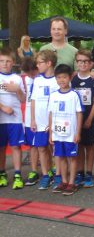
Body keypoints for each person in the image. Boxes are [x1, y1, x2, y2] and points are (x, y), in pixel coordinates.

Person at [49, 64, 83, 195]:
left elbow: (79, 113)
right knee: (61, 157)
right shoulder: (53, 96)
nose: (61, 80)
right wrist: (51, 133)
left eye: (64, 77)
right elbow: (51, 113)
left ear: (70, 77)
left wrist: (78, 133)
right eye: (58, 77)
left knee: (72, 157)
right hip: (58, 133)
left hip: (71, 133)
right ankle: (63, 181)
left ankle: (72, 182)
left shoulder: (74, 95)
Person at [71, 49, 94, 188]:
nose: (83, 64)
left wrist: (90, 118)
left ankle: (89, 173)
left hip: (89, 118)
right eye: (80, 61)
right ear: (76, 63)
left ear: (91, 63)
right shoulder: (72, 79)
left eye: (86, 61)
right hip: (75, 120)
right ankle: (80, 173)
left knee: (89, 146)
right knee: (78, 146)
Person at [31, 50, 59, 190]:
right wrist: (33, 120)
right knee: (41, 148)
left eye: (39, 62)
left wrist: (53, 122)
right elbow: (33, 100)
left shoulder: (58, 80)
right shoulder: (37, 80)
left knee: (54, 148)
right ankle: (45, 175)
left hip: (54, 122)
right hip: (40, 121)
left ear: (49, 63)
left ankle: (58, 173)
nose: (37, 65)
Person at [0, 50, 26, 189]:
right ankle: (2, 174)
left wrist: (17, 90)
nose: (5, 64)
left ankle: (17, 175)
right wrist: (3, 107)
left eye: (8, 61)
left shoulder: (17, 78)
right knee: (1, 148)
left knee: (16, 146)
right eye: (2, 61)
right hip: (1, 119)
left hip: (15, 119)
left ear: (13, 63)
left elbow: (23, 99)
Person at [21, 57, 40, 186]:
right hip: (29, 117)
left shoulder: (43, 79)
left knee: (47, 145)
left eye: (32, 72)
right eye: (28, 73)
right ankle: (34, 170)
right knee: (32, 145)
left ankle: (51, 169)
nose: (31, 75)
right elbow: (23, 98)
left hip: (43, 116)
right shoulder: (24, 80)